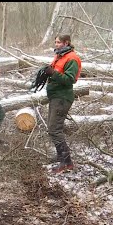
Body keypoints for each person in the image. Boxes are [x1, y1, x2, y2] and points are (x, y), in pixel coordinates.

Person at [44, 34, 82, 173]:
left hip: (62, 97)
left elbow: (69, 79)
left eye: (59, 42)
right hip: (55, 97)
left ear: (67, 43)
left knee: (54, 129)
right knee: (52, 128)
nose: (56, 44)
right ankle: (61, 156)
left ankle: (66, 162)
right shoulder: (60, 56)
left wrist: (52, 73)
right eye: (55, 42)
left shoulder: (72, 58)